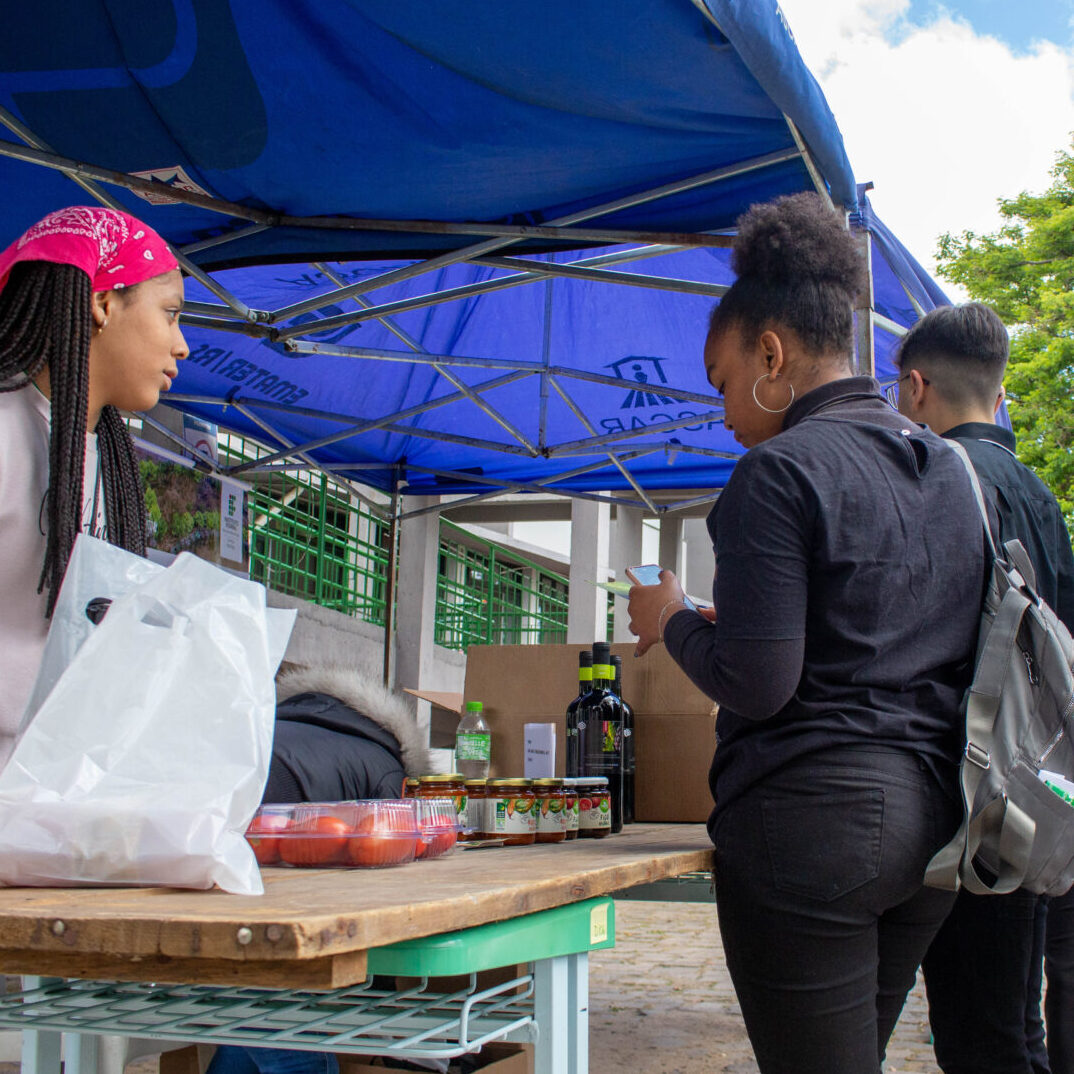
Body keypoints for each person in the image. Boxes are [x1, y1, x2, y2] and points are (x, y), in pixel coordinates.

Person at [626, 192, 985, 1074]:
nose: (722, 414)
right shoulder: (948, 469)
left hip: (811, 828)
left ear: (771, 354)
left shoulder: (777, 471)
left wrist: (670, 619)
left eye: (722, 384)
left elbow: (758, 683)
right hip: (938, 822)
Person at [894, 302, 1074, 1074]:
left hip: (961, 789)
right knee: (1012, 1025)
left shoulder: (936, 479)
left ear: (914, 387)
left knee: (980, 1039)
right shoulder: (1043, 498)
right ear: (1000, 398)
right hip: (1035, 789)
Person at [0, 206, 187, 768]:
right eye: (171, 315)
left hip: (45, 802)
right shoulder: (7, 429)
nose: (182, 347)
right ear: (104, 303)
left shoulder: (103, 455)